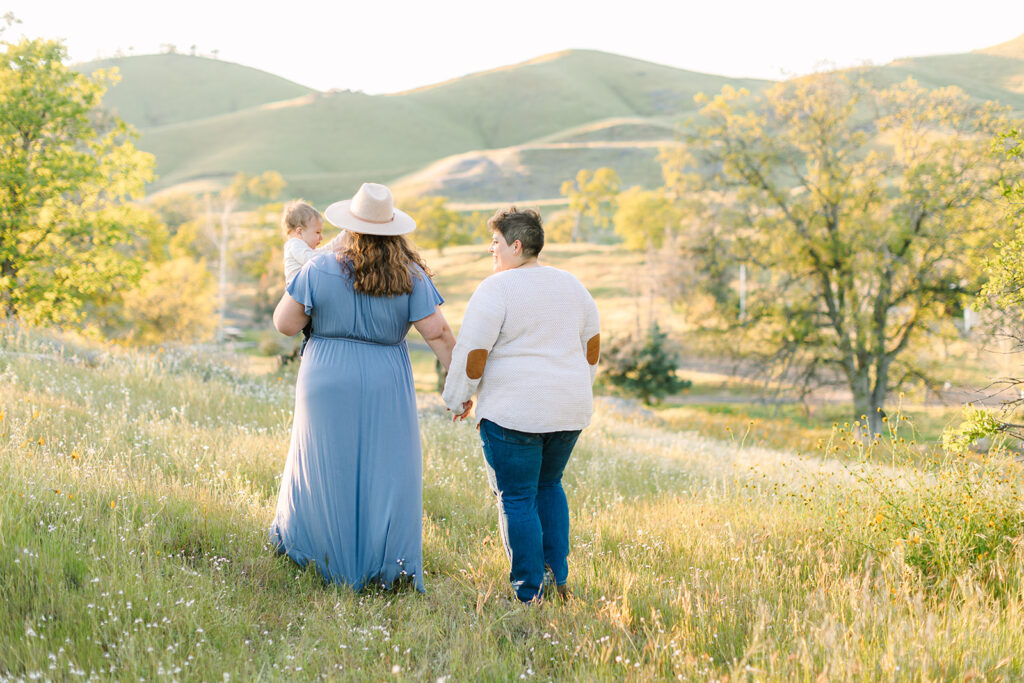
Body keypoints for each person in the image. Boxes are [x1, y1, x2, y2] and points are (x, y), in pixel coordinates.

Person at [269, 183, 457, 592]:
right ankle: (385, 566)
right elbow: (439, 333)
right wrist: (462, 387)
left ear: (348, 227)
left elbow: (285, 324)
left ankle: (322, 557)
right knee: (387, 469)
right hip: (384, 378)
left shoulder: (318, 268)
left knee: (324, 463)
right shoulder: (410, 275)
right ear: (394, 231)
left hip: (326, 375)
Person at [442, 207, 600, 603]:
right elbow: (591, 347)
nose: (490, 250)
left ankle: (529, 591)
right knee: (549, 486)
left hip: (515, 412)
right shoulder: (573, 285)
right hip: (568, 409)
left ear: (516, 245)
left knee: (516, 497)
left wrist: (459, 396)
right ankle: (557, 580)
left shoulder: (497, 288)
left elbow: (473, 351)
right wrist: (576, 388)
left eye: (495, 242)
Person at [281, 200, 347, 353]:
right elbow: (312, 260)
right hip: (300, 294)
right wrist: (334, 254)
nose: (321, 237)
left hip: (307, 291)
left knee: (314, 328)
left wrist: (343, 237)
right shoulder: (294, 245)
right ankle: (306, 353)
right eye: (317, 233)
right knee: (310, 331)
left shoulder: (302, 246)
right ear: (299, 231)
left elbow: (323, 251)